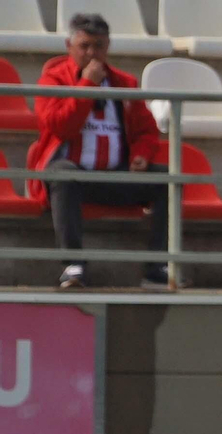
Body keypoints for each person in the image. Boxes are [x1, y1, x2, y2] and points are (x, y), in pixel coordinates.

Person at [27, 14, 172, 291]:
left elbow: (147, 131)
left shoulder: (124, 83)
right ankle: (73, 266)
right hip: (73, 177)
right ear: (70, 46)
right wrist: (88, 85)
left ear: (108, 46)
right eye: (84, 46)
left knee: (165, 179)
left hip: (116, 175)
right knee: (63, 174)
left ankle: (157, 266)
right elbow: (61, 126)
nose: (92, 53)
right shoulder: (52, 81)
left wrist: (140, 155)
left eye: (99, 46)